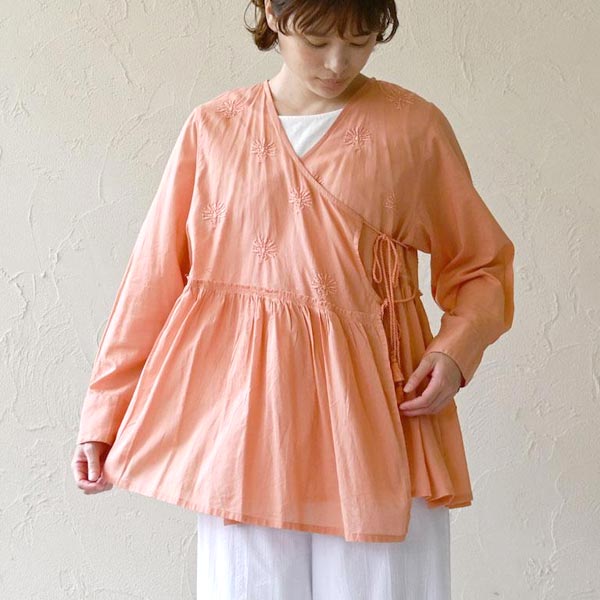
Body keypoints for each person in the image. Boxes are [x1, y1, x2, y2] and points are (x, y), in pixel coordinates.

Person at [72, 0, 515, 598]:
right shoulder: (215, 129)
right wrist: (104, 416)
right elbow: (153, 281)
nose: (338, 63)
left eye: (359, 42)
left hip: (378, 418)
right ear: (271, 13)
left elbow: (481, 265)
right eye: (318, 40)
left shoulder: (414, 128)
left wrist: (456, 351)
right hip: (246, 425)